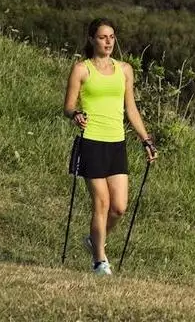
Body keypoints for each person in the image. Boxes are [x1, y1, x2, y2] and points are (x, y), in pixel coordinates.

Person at [63, 18, 158, 276]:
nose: (108, 42)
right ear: (92, 39)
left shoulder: (124, 70)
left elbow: (131, 108)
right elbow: (68, 106)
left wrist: (146, 140)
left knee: (119, 207)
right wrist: (75, 115)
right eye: (103, 37)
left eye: (112, 37)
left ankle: (95, 240)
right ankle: (99, 261)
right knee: (102, 203)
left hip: (117, 143)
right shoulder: (81, 69)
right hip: (91, 142)